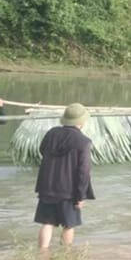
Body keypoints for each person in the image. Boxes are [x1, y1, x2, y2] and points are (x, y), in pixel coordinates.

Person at [34, 103, 94, 250]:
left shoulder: (52, 133)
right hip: (69, 191)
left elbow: (42, 150)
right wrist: (80, 196)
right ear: (81, 122)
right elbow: (84, 171)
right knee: (69, 225)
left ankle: (42, 254)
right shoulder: (83, 142)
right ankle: (65, 256)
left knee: (47, 223)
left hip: (47, 186)